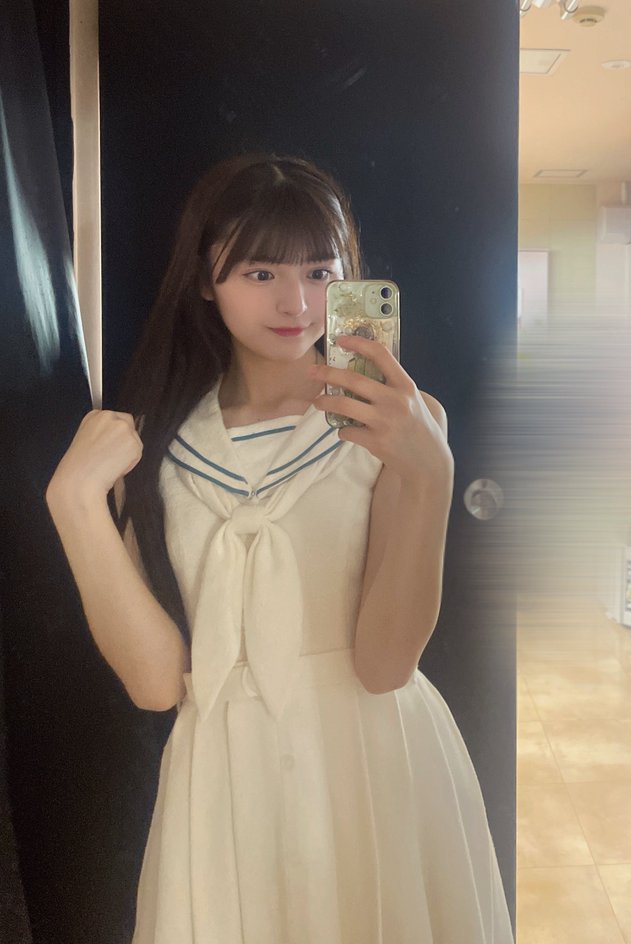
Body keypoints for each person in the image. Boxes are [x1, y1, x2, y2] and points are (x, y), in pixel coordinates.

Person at [44, 153, 513, 944]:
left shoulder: (398, 423)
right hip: (223, 777)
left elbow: (384, 665)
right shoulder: (149, 444)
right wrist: (74, 504)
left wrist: (430, 474)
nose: (295, 302)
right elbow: (156, 684)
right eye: (260, 272)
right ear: (206, 278)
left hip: (371, 759)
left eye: (320, 273)